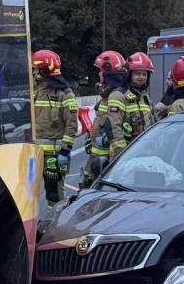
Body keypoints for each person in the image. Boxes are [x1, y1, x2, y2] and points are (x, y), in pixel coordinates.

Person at [30, 48, 77, 203]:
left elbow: (71, 125)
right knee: (30, 192)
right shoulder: (33, 91)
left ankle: (55, 221)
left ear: (44, 70)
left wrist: (65, 151)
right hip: (33, 154)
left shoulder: (65, 94)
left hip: (55, 156)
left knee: (54, 193)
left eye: (35, 69)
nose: (33, 73)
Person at [84, 49, 127, 186]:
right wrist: (92, 138)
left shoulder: (115, 96)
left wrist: (116, 162)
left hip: (106, 161)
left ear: (107, 72)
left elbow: (115, 128)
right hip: (97, 157)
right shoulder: (106, 95)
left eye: (100, 71)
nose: (98, 74)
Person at [124, 52, 158, 139]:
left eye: (144, 74)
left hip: (145, 144)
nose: (141, 77)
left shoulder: (145, 97)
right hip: (130, 147)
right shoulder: (122, 96)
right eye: (137, 73)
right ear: (129, 74)